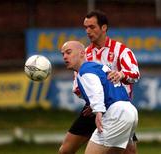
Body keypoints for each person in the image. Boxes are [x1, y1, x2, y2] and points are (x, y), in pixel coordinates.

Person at [58, 10, 140, 154]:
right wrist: (93, 102)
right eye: (85, 27)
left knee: (130, 152)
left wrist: (121, 74)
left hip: (117, 106)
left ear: (104, 28)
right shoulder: (83, 54)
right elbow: (78, 87)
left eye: (92, 27)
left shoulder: (120, 50)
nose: (88, 31)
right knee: (65, 150)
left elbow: (135, 74)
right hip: (93, 108)